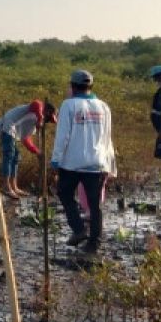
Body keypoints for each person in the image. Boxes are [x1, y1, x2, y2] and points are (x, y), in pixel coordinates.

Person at [50, 70, 116, 253]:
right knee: (95, 206)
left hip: (72, 163)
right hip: (97, 163)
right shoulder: (103, 106)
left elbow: (62, 135)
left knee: (64, 194)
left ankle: (79, 229)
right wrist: (110, 163)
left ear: (72, 86)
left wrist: (56, 158)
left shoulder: (69, 105)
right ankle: (94, 242)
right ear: (90, 86)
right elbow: (107, 137)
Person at [0, 100, 55, 198]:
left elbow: (25, 139)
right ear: (46, 112)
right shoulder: (36, 108)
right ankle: (6, 186)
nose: (46, 121)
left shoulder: (33, 125)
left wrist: (37, 152)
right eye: (47, 118)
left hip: (10, 131)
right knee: (9, 154)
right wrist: (40, 119)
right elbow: (36, 104)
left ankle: (14, 186)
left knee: (16, 157)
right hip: (5, 127)